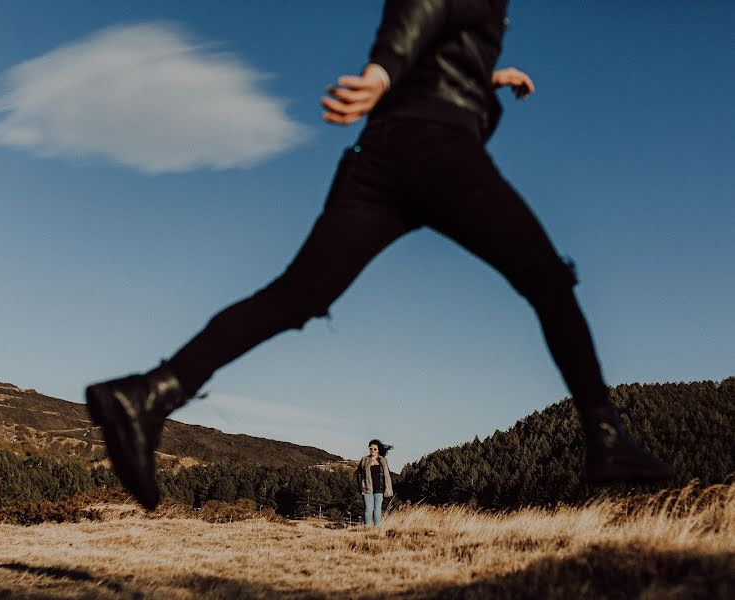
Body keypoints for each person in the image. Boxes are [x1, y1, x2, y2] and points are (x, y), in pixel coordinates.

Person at [86, 0, 672, 510]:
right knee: (548, 278)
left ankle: (149, 393)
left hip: (381, 159)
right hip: (437, 152)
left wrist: (484, 77)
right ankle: (607, 440)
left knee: (298, 294)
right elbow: (424, 7)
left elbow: (439, 34)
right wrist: (382, 69)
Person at [356, 440, 394, 527]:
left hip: (379, 489)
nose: (372, 450)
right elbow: (358, 475)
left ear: (378, 450)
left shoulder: (383, 460)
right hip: (367, 489)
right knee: (368, 509)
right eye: (371, 449)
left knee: (377, 509)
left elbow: (387, 474)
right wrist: (361, 488)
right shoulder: (364, 460)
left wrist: (387, 488)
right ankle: (367, 528)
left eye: (375, 449)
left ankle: (376, 529)